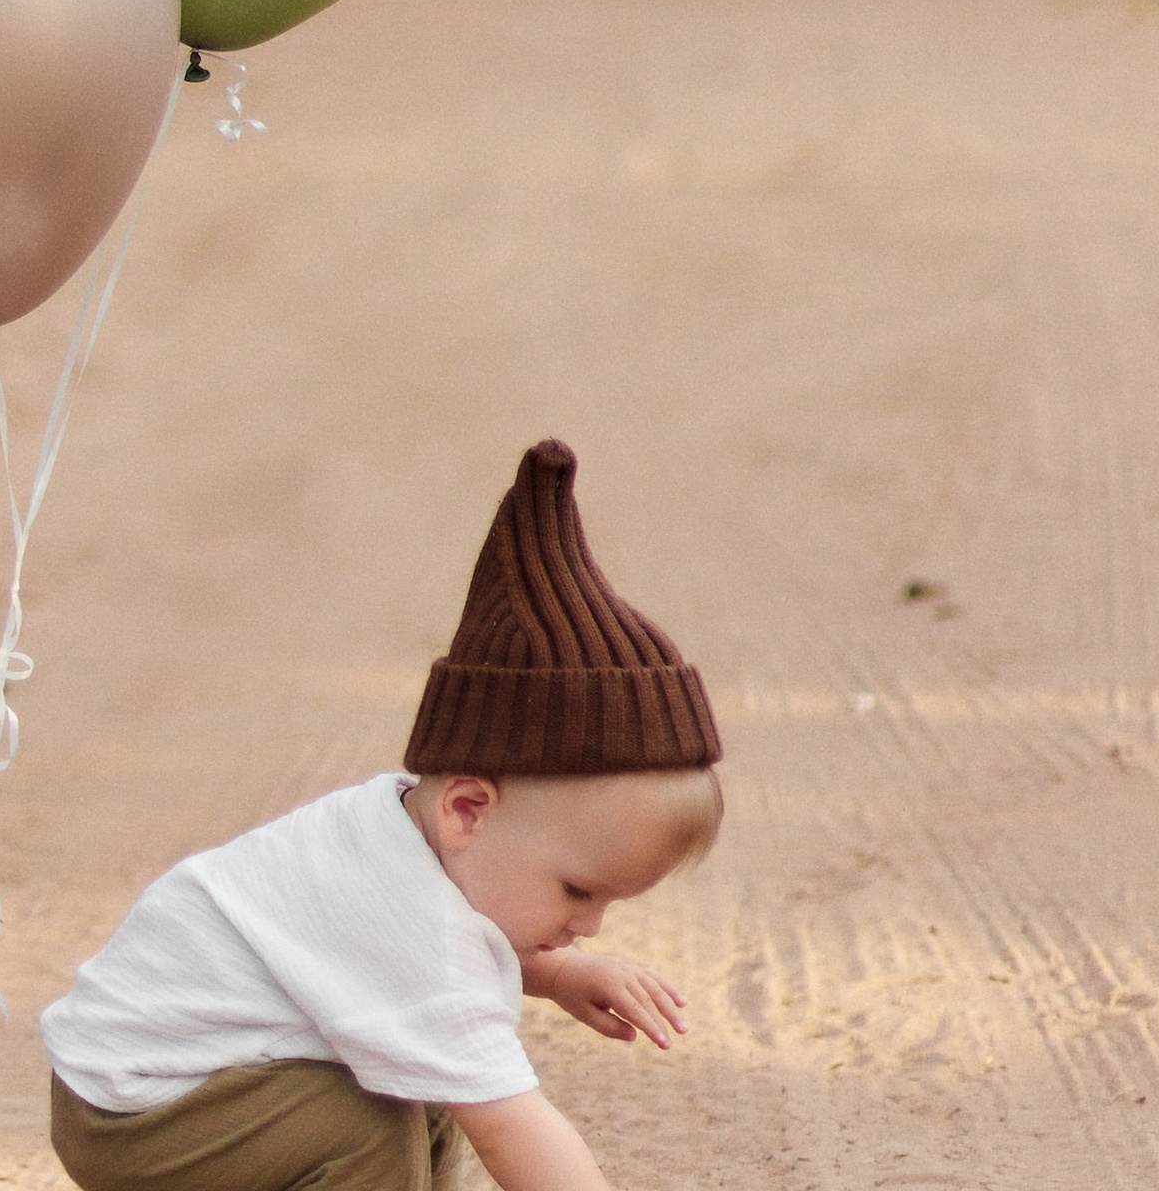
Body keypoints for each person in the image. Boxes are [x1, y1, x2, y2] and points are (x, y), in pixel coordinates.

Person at [40, 439, 723, 1191]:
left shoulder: (398, 827)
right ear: (469, 809)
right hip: (141, 1113)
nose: (590, 923)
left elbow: (404, 951)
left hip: (158, 1079)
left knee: (412, 1082)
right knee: (364, 1127)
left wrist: (559, 974)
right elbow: (513, 1130)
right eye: (577, 890)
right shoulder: (415, 921)